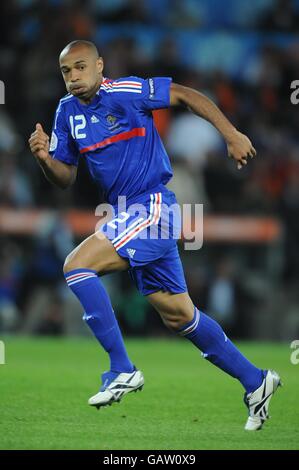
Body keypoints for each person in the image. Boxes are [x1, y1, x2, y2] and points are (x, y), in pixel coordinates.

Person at [29, 40, 281, 431]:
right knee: (179, 315)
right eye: (66, 71)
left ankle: (121, 369)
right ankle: (256, 380)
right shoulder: (66, 113)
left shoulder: (126, 92)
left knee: (76, 265)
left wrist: (230, 133)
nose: (74, 77)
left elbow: (184, 94)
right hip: (125, 213)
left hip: (152, 207)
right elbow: (64, 178)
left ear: (99, 66)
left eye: (81, 67)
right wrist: (46, 160)